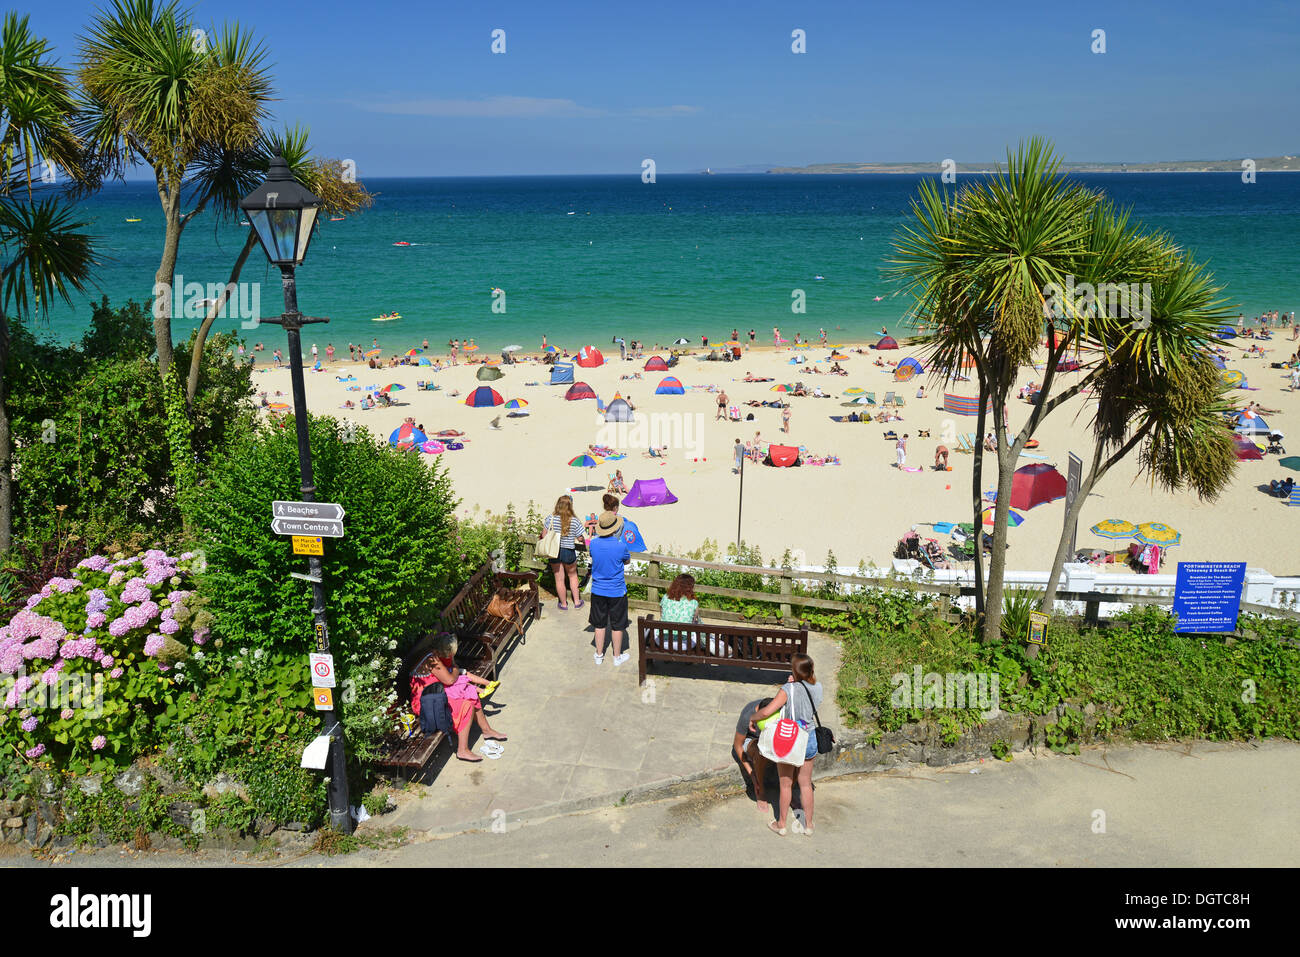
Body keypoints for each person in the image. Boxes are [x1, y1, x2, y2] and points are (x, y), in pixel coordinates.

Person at [749, 653, 822, 836]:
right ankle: (809, 825)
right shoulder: (818, 687)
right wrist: (795, 682)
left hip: (790, 738)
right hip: (810, 737)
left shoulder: (787, 689)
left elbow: (767, 712)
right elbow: (805, 693)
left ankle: (781, 824)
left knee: (786, 784)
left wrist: (753, 717)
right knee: (805, 784)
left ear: (794, 670)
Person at [410, 634, 506, 762]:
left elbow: (450, 675)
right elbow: (450, 679)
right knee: (467, 706)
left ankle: (487, 730)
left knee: (470, 692)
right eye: (449, 654)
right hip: (428, 703)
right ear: (441, 651)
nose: (450, 657)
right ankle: (462, 750)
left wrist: (454, 669)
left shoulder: (434, 653)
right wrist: (455, 668)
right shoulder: (432, 660)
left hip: (436, 694)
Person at [588, 511, 632, 666]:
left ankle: (599, 655)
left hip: (598, 589)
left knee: (599, 624)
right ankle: (617, 656)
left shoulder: (593, 543)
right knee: (617, 625)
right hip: (617, 590)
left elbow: (593, 556)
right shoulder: (620, 546)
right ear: (615, 528)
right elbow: (626, 561)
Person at [542, 495, 585, 611]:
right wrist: (583, 541)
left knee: (559, 579)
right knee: (573, 576)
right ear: (570, 506)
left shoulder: (550, 518)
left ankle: (564, 604)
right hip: (568, 551)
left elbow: (544, 535)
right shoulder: (574, 520)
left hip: (554, 551)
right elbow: (580, 538)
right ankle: (577, 602)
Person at [657, 573, 700, 651]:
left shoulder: (665, 597)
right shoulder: (693, 602)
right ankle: (688, 660)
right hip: (685, 645)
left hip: (663, 642)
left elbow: (662, 615)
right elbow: (693, 620)